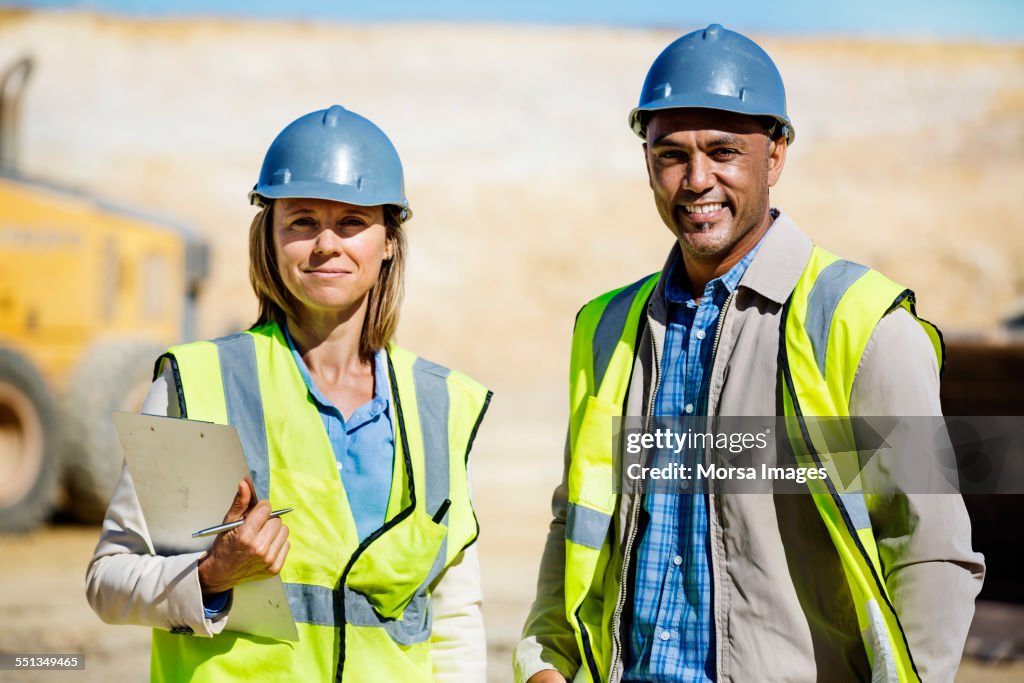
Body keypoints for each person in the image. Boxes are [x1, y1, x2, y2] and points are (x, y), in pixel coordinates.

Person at [515, 24, 984, 683]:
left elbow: (931, 553)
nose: (695, 179)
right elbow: (577, 520)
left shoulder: (861, 327)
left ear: (775, 156)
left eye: (723, 151)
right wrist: (545, 663)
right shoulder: (606, 327)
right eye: (670, 154)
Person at [86, 105, 491, 682]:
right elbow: (108, 581)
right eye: (302, 221)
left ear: (388, 243)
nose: (327, 244)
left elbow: (452, 621)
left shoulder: (439, 404)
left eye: (352, 222)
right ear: (270, 238)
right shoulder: (198, 384)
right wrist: (211, 577)